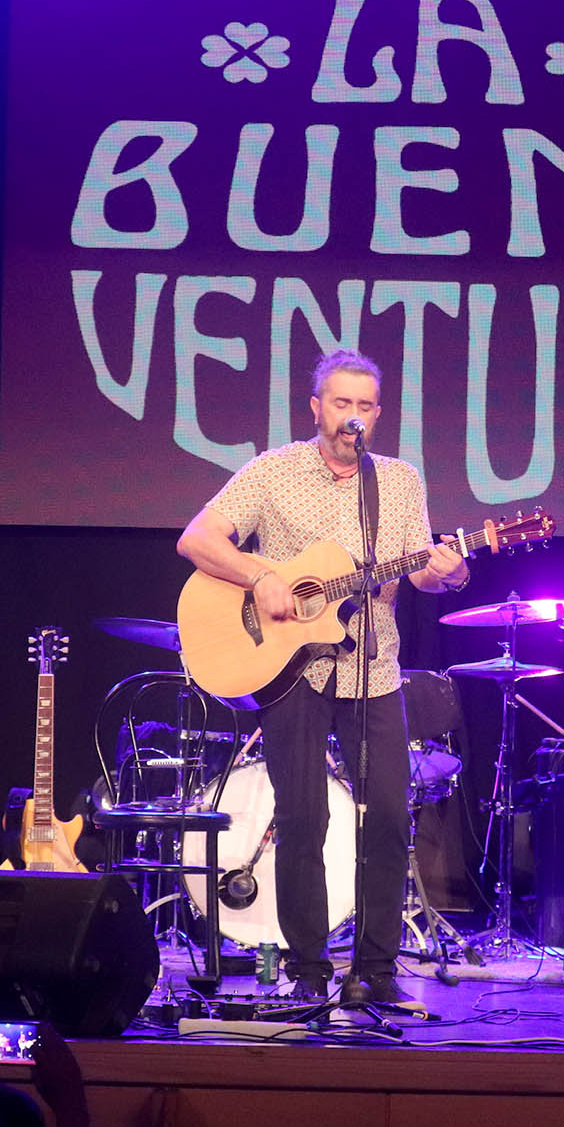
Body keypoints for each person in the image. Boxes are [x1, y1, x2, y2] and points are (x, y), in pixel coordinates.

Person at [177, 349, 469, 1006]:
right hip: (290, 669)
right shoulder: (272, 471)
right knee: (302, 818)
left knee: (391, 816)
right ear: (315, 406)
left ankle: (376, 970)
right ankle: (307, 969)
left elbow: (418, 567)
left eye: (365, 406)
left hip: (372, 664)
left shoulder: (396, 481)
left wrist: (448, 572)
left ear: (377, 413)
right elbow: (197, 538)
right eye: (341, 403)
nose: (352, 417)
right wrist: (264, 575)